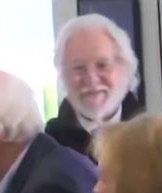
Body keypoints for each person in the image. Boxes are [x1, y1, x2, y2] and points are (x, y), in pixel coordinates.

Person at [45, 14, 144, 161]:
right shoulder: (48, 150)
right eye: (79, 68)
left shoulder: (156, 140)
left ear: (125, 68)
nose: (91, 79)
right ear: (63, 75)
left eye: (102, 65)